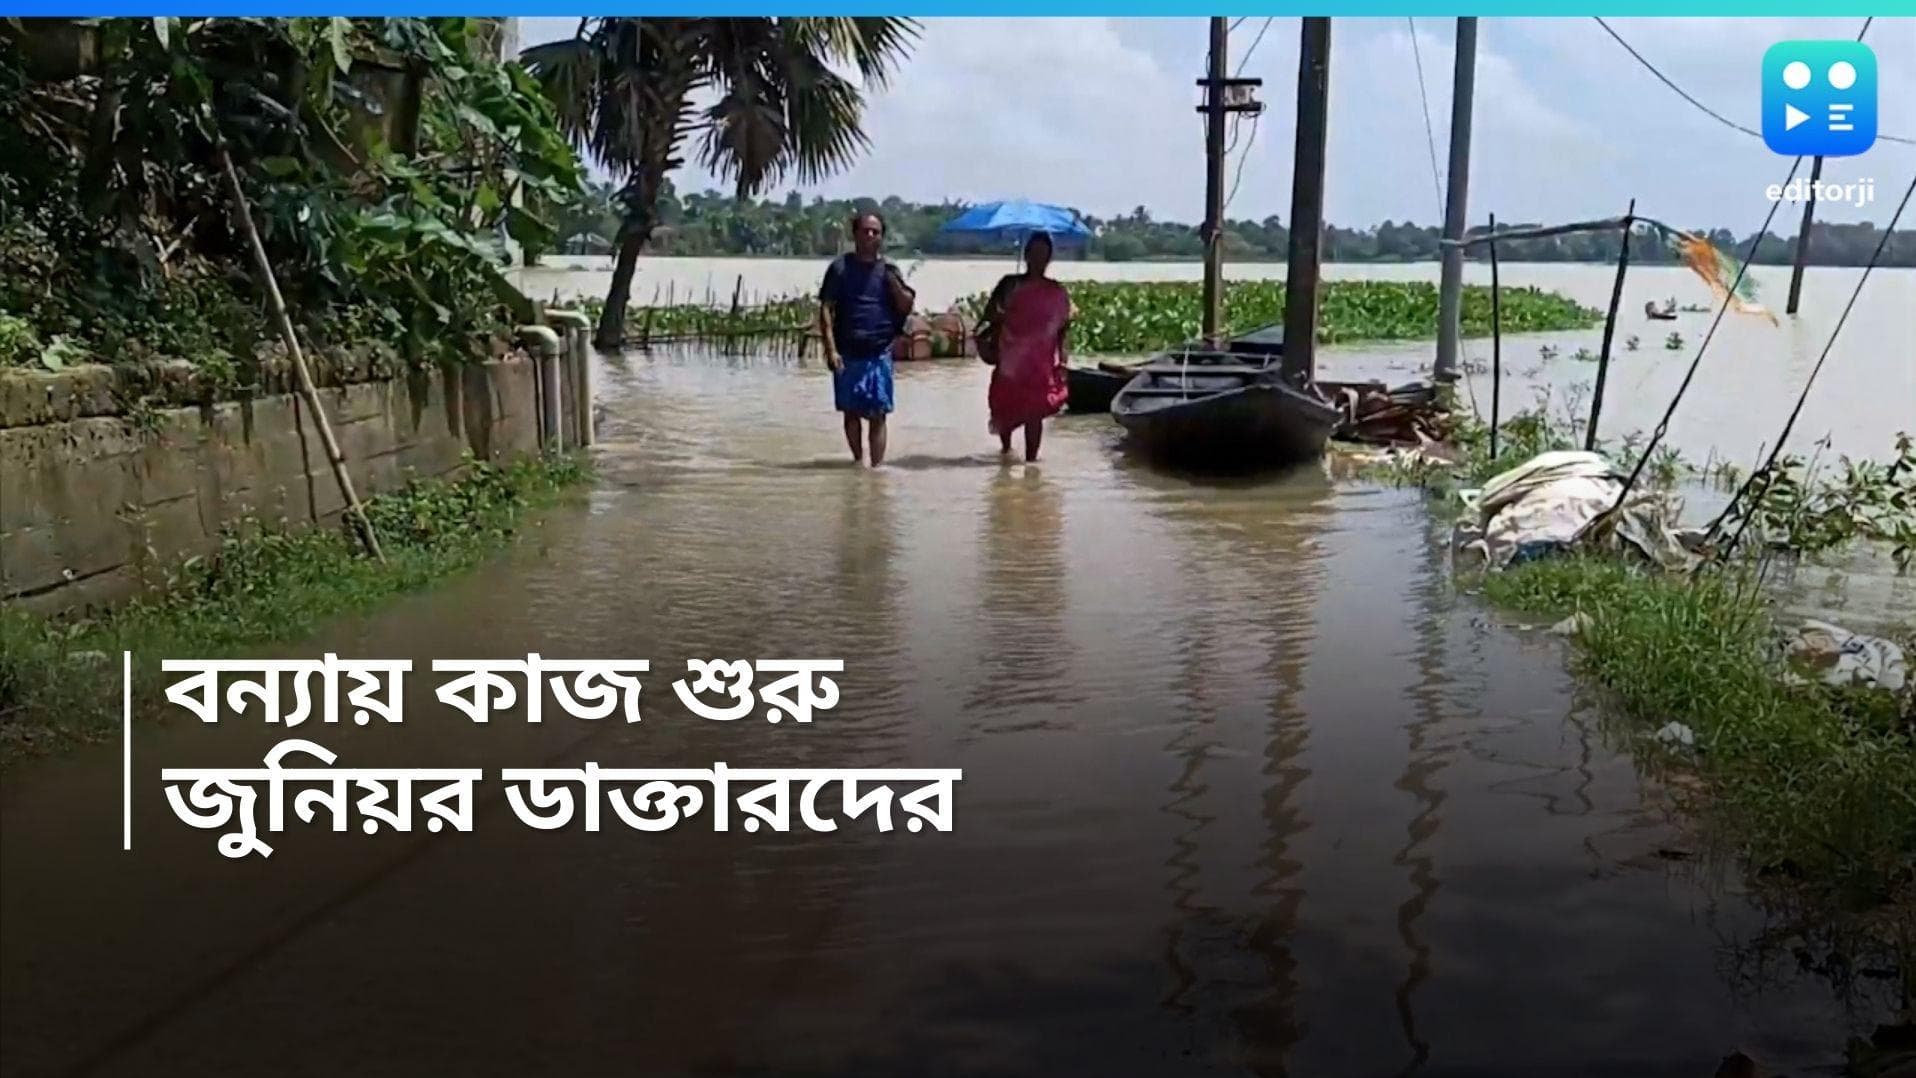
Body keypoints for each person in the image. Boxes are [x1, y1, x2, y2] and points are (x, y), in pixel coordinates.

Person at [817, 212, 915, 467]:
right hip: (846, 351)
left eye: (876, 231)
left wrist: (893, 281)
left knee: (879, 413)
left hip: (879, 351)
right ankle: (858, 463)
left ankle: (877, 468)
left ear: (882, 237)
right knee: (850, 412)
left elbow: (906, 305)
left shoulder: (889, 269)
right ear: (855, 234)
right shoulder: (840, 268)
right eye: (865, 231)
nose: (870, 235)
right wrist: (830, 350)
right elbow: (825, 309)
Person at [980, 232, 1072, 461]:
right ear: (1026, 255)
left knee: (1035, 412)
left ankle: (1031, 462)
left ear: (1049, 258)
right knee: (1005, 407)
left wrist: (1063, 361)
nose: (1039, 258)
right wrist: (1004, 310)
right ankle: (1006, 452)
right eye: (1035, 253)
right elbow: (989, 314)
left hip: (1039, 362)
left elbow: (1063, 329)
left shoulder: (1056, 291)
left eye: (1044, 254)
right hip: (1010, 359)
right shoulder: (1009, 284)